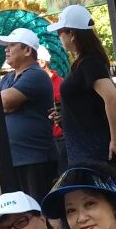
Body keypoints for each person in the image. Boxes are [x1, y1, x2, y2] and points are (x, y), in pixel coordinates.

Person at [47, 5, 116, 181]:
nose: (59, 36)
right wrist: (65, 116)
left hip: (92, 152)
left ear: (72, 33)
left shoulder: (89, 63)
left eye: (60, 31)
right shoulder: (83, 63)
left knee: (98, 193)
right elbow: (88, 105)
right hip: (82, 149)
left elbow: (112, 98)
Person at [0, 28, 58, 201]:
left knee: (39, 209)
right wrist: (7, 103)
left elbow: (3, 102)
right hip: (13, 159)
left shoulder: (36, 75)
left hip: (35, 159)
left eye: (12, 45)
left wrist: (8, 104)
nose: (6, 49)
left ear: (28, 50)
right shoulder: (7, 79)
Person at [38, 45, 68, 175]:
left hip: (60, 141)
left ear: (42, 62)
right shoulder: (30, 84)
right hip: (40, 143)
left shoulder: (61, 84)